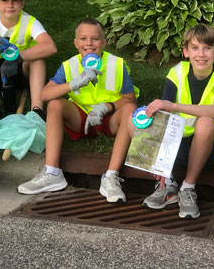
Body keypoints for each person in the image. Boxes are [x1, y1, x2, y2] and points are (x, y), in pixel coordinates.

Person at [104, 23, 214, 218]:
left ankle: (188, 188)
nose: (201, 54)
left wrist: (174, 106)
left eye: (207, 48)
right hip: (179, 143)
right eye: (195, 48)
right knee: (135, 121)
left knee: (204, 122)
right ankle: (167, 184)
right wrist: (154, 158)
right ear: (186, 52)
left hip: (213, 148)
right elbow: (164, 116)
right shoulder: (177, 72)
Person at [17, 18, 138, 197]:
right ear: (76, 43)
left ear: (104, 42)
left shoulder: (117, 64)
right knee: (55, 105)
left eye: (95, 39)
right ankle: (52, 173)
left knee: (130, 111)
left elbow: (130, 100)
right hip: (80, 118)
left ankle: (111, 176)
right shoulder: (69, 65)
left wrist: (106, 107)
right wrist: (73, 84)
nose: (89, 43)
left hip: (109, 119)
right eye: (83, 39)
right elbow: (44, 95)